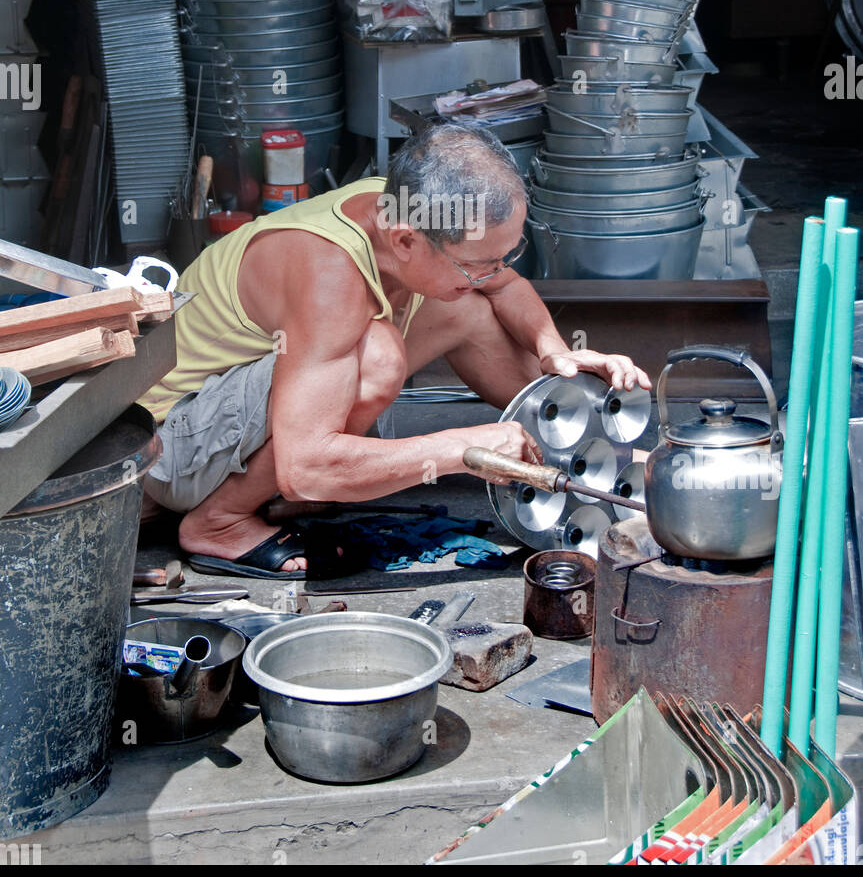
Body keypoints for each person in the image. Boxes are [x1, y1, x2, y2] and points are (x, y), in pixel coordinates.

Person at [140, 122, 650, 576]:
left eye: (504, 254)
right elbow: (306, 469)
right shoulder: (328, 275)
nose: (494, 272)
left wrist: (554, 352)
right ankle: (220, 519)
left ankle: (589, 455)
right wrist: (460, 450)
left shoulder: (407, 206)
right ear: (405, 241)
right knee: (379, 355)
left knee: (464, 305)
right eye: (479, 262)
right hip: (175, 448)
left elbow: (500, 284)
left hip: (242, 413)